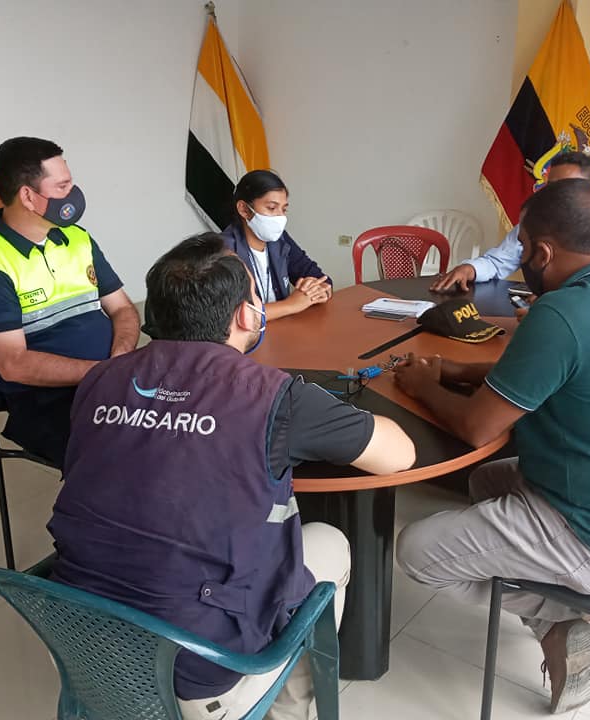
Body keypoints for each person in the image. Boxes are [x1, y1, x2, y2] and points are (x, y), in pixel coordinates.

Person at [48, 233, 415, 720]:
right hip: (195, 675)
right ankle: (286, 710)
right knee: (330, 542)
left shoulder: (101, 377)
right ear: (247, 315)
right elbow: (399, 455)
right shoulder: (273, 396)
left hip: (83, 645)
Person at [393, 179, 590, 714]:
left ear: (544, 253)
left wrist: (423, 386)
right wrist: (454, 370)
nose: (522, 260)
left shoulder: (559, 312)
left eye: (525, 248)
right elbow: (553, 367)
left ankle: (558, 616)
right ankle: (556, 595)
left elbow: (478, 427)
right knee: (484, 480)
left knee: (416, 550)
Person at [0, 137, 139, 466]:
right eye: (63, 186)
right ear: (28, 196)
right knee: (126, 452)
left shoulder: (77, 238)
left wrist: (120, 356)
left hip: (110, 375)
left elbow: (122, 308)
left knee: (188, 420)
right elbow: (13, 363)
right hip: (45, 399)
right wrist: (100, 373)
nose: (74, 193)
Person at [431, 151, 590, 293]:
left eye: (567, 187)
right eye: (551, 186)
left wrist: (557, 304)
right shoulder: (534, 224)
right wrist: (470, 269)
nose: (555, 195)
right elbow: (497, 261)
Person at [221, 170, 332, 319]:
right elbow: (231, 316)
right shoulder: (222, 250)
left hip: (283, 327)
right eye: (272, 208)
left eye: (284, 209)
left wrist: (318, 290)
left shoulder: (280, 239)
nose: (281, 217)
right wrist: (292, 304)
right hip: (247, 334)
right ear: (244, 209)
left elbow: (319, 277)